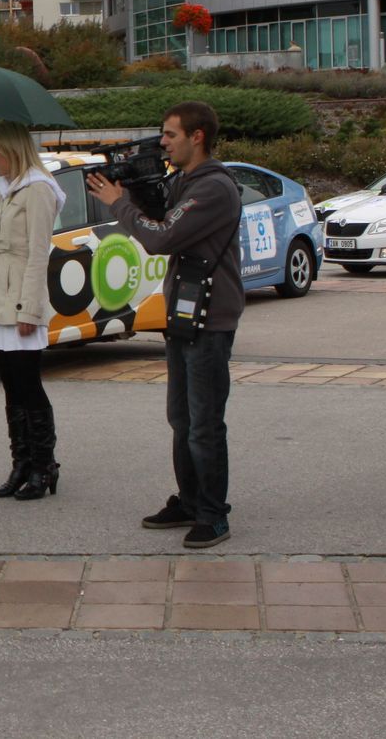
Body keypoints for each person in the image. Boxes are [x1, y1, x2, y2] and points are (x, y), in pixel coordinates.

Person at [88, 101, 244, 549]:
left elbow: (160, 238)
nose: (162, 142)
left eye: (170, 135)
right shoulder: (184, 181)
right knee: (181, 416)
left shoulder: (213, 188)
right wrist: (135, 188)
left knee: (205, 421)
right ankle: (191, 500)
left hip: (211, 317)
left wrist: (120, 204)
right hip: (185, 311)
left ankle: (214, 514)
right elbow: (158, 219)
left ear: (198, 137)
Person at [0, 122, 67, 501]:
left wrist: (30, 310)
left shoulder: (37, 190)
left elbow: (38, 253)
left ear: (12, 150)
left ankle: (44, 465)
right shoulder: (7, 190)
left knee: (28, 386)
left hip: (20, 301)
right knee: (11, 389)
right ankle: (22, 464)